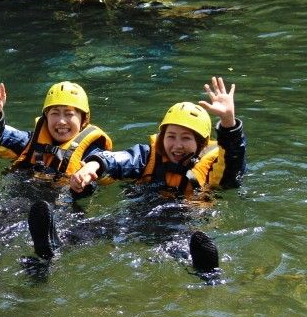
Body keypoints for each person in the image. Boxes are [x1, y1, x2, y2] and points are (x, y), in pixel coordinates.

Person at [62, 76, 246, 283]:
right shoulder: (146, 156)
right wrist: (93, 165)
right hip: (139, 214)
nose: (176, 145)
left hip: (183, 219)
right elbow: (117, 160)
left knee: (181, 246)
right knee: (86, 230)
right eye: (171, 136)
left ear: (201, 144)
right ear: (161, 138)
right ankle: (51, 249)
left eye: (186, 138)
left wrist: (229, 123)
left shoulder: (209, 167)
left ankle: (209, 274)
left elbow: (232, 166)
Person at [0, 81, 113, 262]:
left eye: (69, 114)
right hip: (25, 194)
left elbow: (110, 167)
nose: (61, 121)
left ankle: (47, 257)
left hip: (64, 201)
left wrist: (90, 169)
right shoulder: (31, 142)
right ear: (46, 117)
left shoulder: (91, 152)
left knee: (80, 232)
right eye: (55, 113)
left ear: (83, 119)